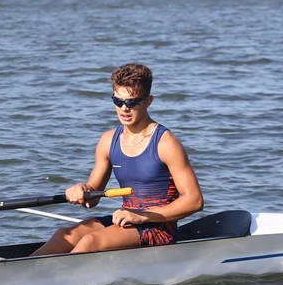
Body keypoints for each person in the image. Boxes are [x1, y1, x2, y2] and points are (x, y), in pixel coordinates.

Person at [31, 63, 202, 256]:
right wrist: (80, 189)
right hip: (125, 219)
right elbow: (92, 196)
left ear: (148, 101)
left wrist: (143, 216)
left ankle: (55, 281)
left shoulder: (166, 143)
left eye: (132, 102)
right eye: (117, 101)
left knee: (90, 241)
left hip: (158, 226)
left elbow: (194, 200)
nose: (124, 109)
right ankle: (22, 277)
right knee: (66, 235)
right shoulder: (108, 140)